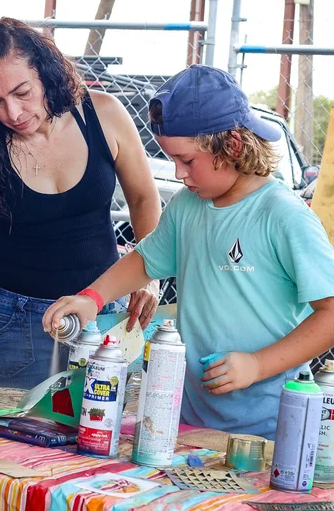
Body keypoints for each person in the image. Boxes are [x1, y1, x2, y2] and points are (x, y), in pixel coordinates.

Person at [43, 64, 334, 440]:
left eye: (187, 160)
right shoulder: (186, 206)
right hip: (190, 421)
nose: (179, 174)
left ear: (232, 146)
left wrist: (257, 365)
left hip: (270, 428)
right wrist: (91, 298)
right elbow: (146, 260)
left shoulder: (283, 215)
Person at [0, 17, 161, 389]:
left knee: (103, 434)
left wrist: (149, 271)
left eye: (22, 93)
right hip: (13, 321)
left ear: (45, 72)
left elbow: (144, 197)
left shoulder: (104, 113)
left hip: (104, 312)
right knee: (9, 441)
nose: (13, 113)